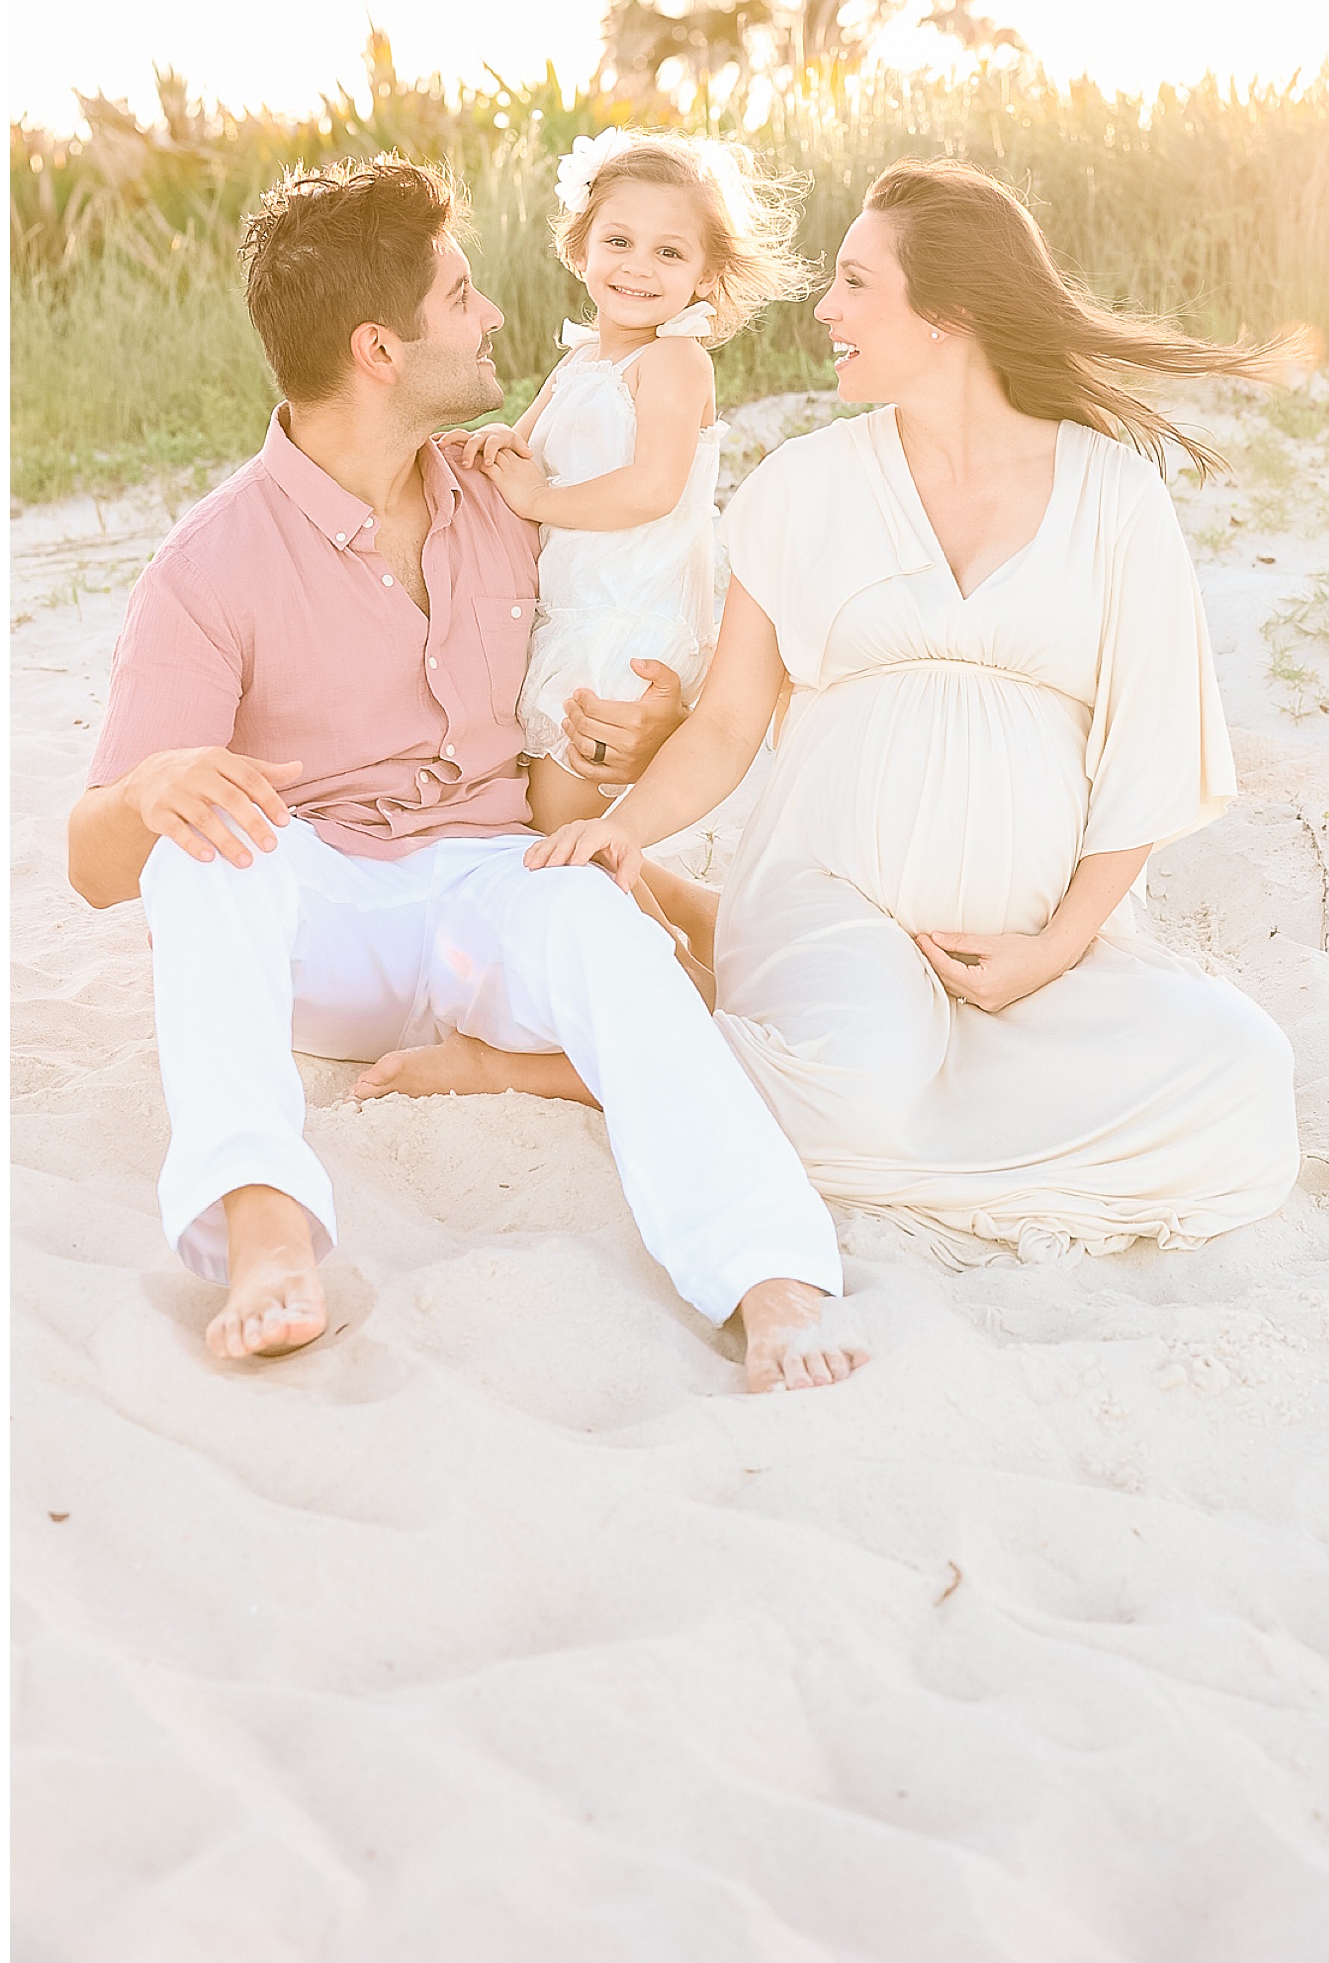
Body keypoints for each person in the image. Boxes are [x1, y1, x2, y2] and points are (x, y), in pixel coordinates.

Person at [364, 158, 1306, 1266]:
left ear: (948, 311)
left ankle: (722, 985)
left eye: (857, 282)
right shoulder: (804, 487)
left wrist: (1053, 949)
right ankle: (584, 1037)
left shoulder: (1113, 496)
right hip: (833, 901)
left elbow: (1148, 752)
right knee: (852, 1091)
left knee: (1239, 1072)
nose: (826, 308)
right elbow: (722, 727)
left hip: (1035, 936)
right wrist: (621, 831)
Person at [66, 155, 862, 1391]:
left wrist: (639, 729)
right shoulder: (210, 563)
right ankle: (267, 1232)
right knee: (205, 860)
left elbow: (609, 635)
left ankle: (769, 1274)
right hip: (319, 912)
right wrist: (145, 797)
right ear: (380, 349)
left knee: (598, 919)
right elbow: (94, 864)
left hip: (491, 889)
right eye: (461, 293)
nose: (495, 314)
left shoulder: (509, 499)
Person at [448, 136, 809, 945]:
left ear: (704, 275)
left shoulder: (674, 363)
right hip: (569, 616)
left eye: (668, 251)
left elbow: (652, 486)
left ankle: (676, 973)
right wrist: (504, 440)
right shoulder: (577, 366)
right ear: (581, 248)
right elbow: (533, 447)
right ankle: (708, 940)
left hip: (626, 623)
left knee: (558, 840)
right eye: (618, 242)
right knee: (551, 834)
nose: (638, 267)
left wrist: (538, 494)